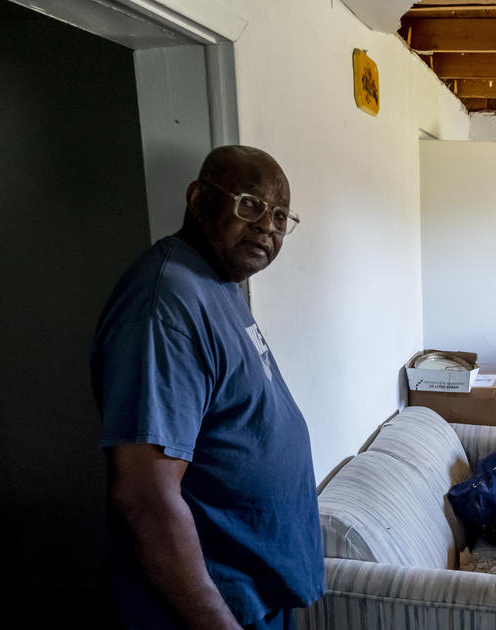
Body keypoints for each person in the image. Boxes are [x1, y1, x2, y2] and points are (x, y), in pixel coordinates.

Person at [90, 145, 324, 629]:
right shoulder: (164, 305)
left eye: (281, 216)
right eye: (250, 205)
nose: (268, 227)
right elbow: (144, 496)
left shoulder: (216, 281)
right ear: (198, 200)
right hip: (207, 608)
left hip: (252, 590)